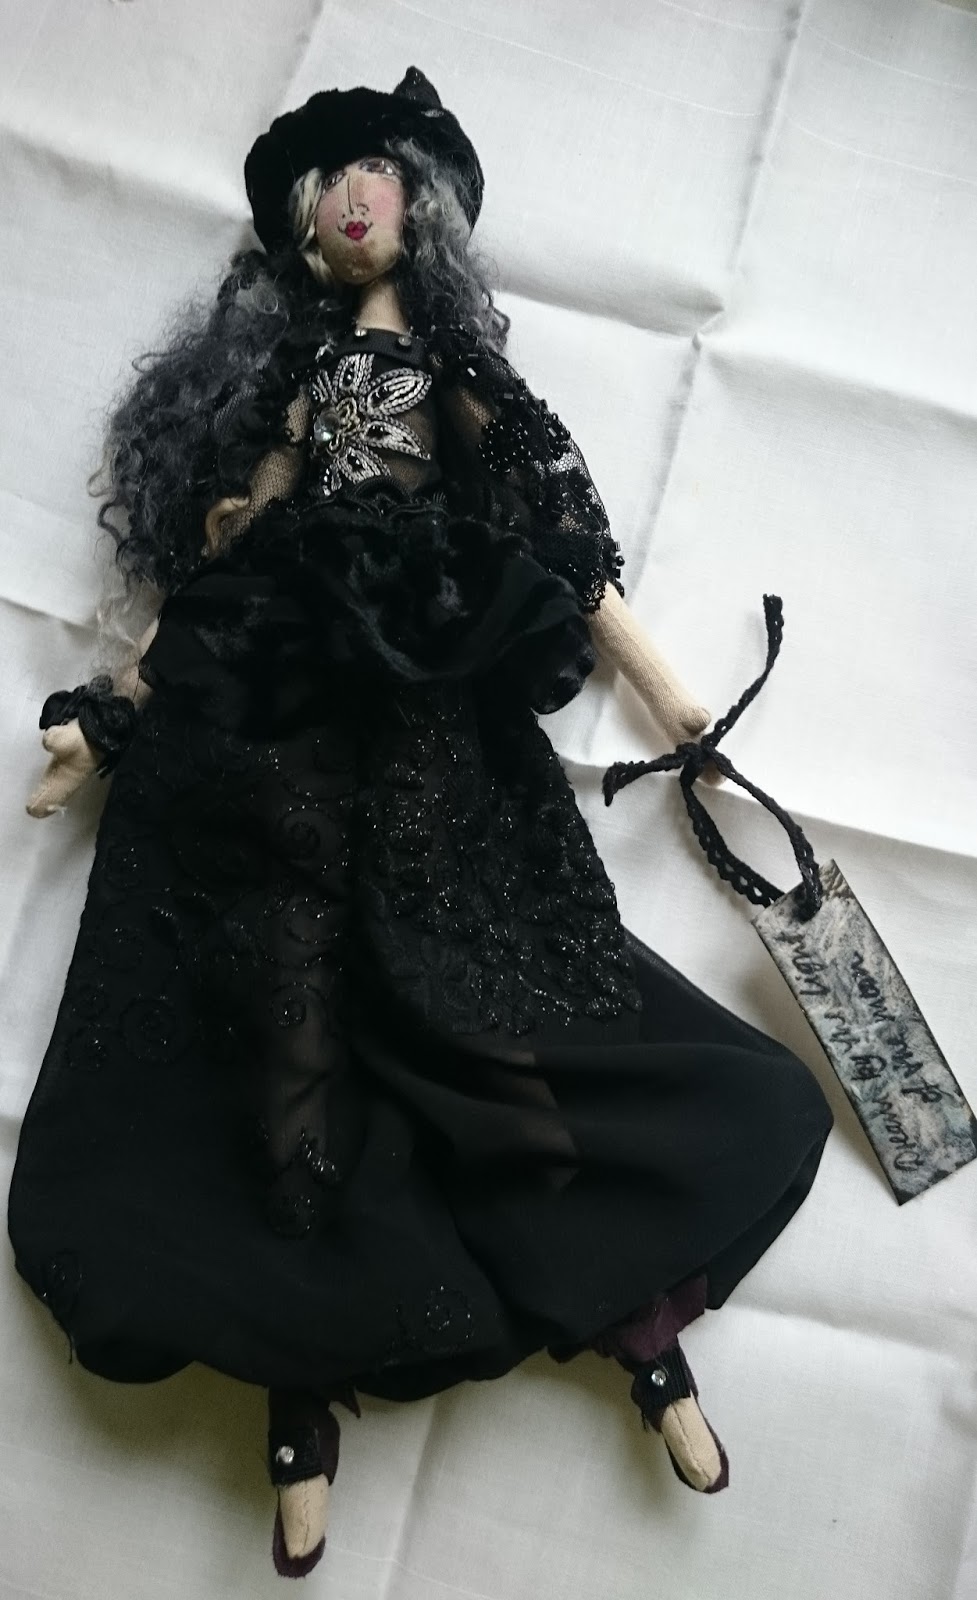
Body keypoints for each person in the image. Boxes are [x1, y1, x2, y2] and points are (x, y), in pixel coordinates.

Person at [8, 68, 832, 1578]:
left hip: (426, 698)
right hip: (263, 724)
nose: (344, 199)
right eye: (321, 187)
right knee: (279, 1026)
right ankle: (296, 1393)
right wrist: (113, 711)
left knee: (491, 1003)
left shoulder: (454, 373)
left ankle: (638, 1322)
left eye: (367, 173)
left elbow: (563, 547)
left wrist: (673, 703)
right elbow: (219, 574)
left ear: (420, 207)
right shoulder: (293, 391)